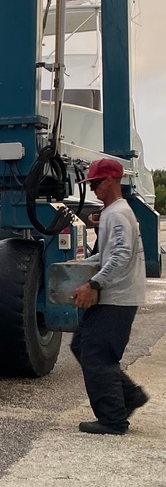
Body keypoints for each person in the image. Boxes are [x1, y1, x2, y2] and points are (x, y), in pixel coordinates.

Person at [70, 157, 148, 434]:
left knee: (96, 356)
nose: (92, 189)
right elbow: (112, 249)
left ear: (112, 181)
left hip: (116, 297)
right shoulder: (113, 213)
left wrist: (94, 284)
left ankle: (113, 419)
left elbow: (121, 254)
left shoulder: (116, 213)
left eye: (95, 183)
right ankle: (129, 396)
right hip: (116, 296)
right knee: (81, 345)